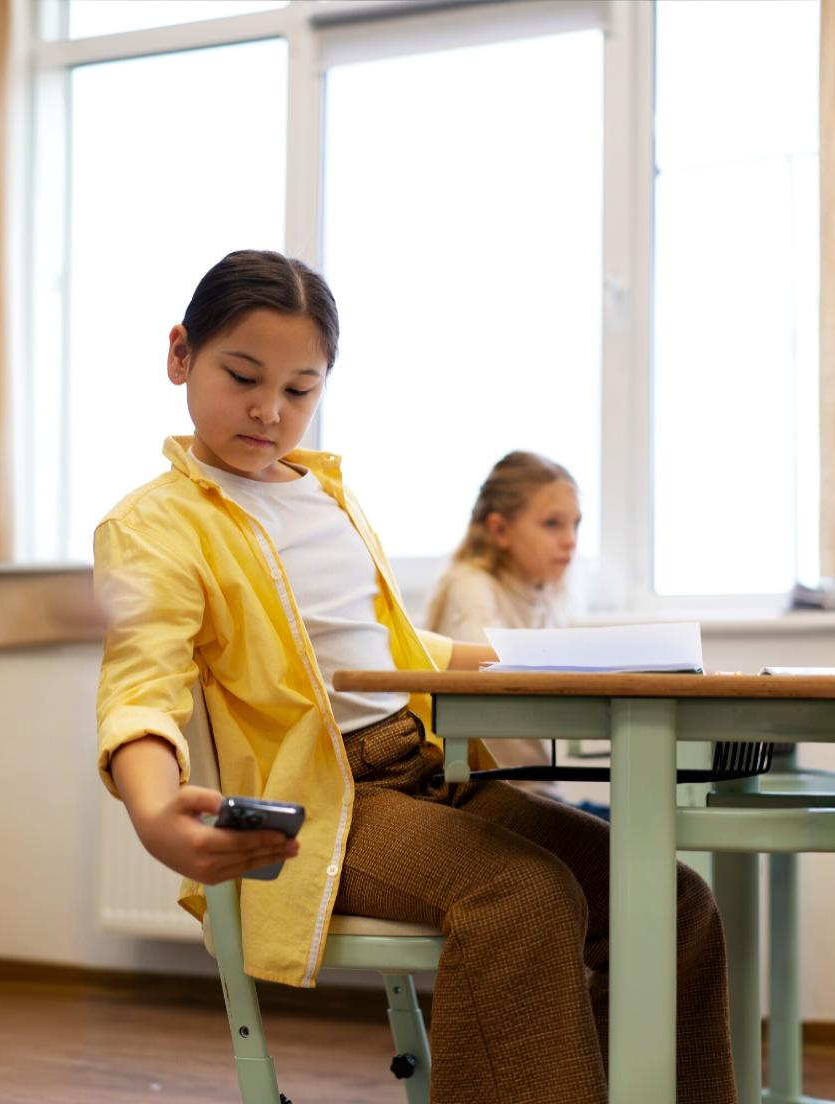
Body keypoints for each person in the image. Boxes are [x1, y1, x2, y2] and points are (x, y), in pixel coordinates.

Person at [93, 250, 737, 1103]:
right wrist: (153, 810)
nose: (268, 410)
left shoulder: (325, 496)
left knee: (670, 901)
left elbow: (402, 651)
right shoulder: (154, 526)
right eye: (242, 376)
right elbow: (143, 683)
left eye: (300, 389)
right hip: (335, 800)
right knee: (522, 896)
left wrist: (608, 657)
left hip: (429, 771)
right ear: (181, 355)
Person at [425, 451, 582, 803]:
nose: (571, 539)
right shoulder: (472, 586)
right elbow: (491, 676)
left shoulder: (547, 595)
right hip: (488, 794)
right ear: (499, 530)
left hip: (537, 790)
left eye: (576, 524)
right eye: (553, 524)